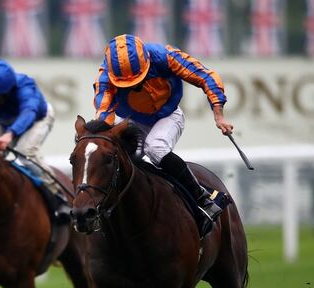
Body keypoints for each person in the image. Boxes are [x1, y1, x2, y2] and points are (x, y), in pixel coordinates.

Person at [93, 34, 234, 223]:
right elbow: (104, 115)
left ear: (147, 62)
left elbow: (205, 76)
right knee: (114, 157)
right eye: (127, 84)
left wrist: (218, 115)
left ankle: (203, 198)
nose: (134, 87)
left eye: (137, 80)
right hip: (132, 120)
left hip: (169, 116)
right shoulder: (105, 78)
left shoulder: (164, 56)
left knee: (155, 147)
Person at [0, 59, 70, 220]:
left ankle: (58, 196)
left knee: (24, 152)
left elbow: (29, 112)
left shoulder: (25, 87)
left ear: (6, 92)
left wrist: (10, 134)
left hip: (38, 119)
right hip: (7, 123)